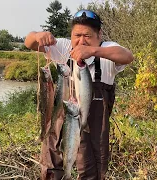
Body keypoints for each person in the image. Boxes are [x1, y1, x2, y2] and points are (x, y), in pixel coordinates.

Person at [25, 9, 134, 180]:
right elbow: (29, 42)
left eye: (87, 36)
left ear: (99, 34)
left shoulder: (108, 49)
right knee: (52, 161)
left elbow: (127, 56)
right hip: (62, 116)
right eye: (77, 35)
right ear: (71, 34)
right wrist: (38, 35)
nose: (81, 41)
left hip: (92, 121)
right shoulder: (63, 47)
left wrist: (92, 51)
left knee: (92, 167)